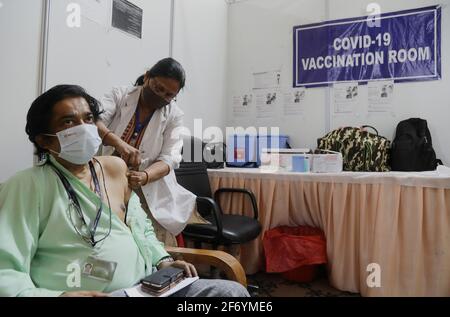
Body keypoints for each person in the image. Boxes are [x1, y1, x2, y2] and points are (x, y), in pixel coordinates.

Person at [0, 85, 249, 297]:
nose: (84, 128)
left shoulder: (114, 168)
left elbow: (140, 228)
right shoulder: (27, 186)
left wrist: (164, 261)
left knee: (231, 294)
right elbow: (5, 268)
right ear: (43, 140)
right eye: (68, 122)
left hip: (149, 286)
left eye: (88, 119)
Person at [97, 58, 199, 247]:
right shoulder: (120, 95)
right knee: (111, 235)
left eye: (169, 95)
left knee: (149, 239)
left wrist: (144, 176)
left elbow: (169, 158)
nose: (161, 96)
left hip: (148, 185)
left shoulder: (174, 115)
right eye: (158, 88)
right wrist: (120, 144)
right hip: (109, 179)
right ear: (146, 77)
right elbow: (94, 122)